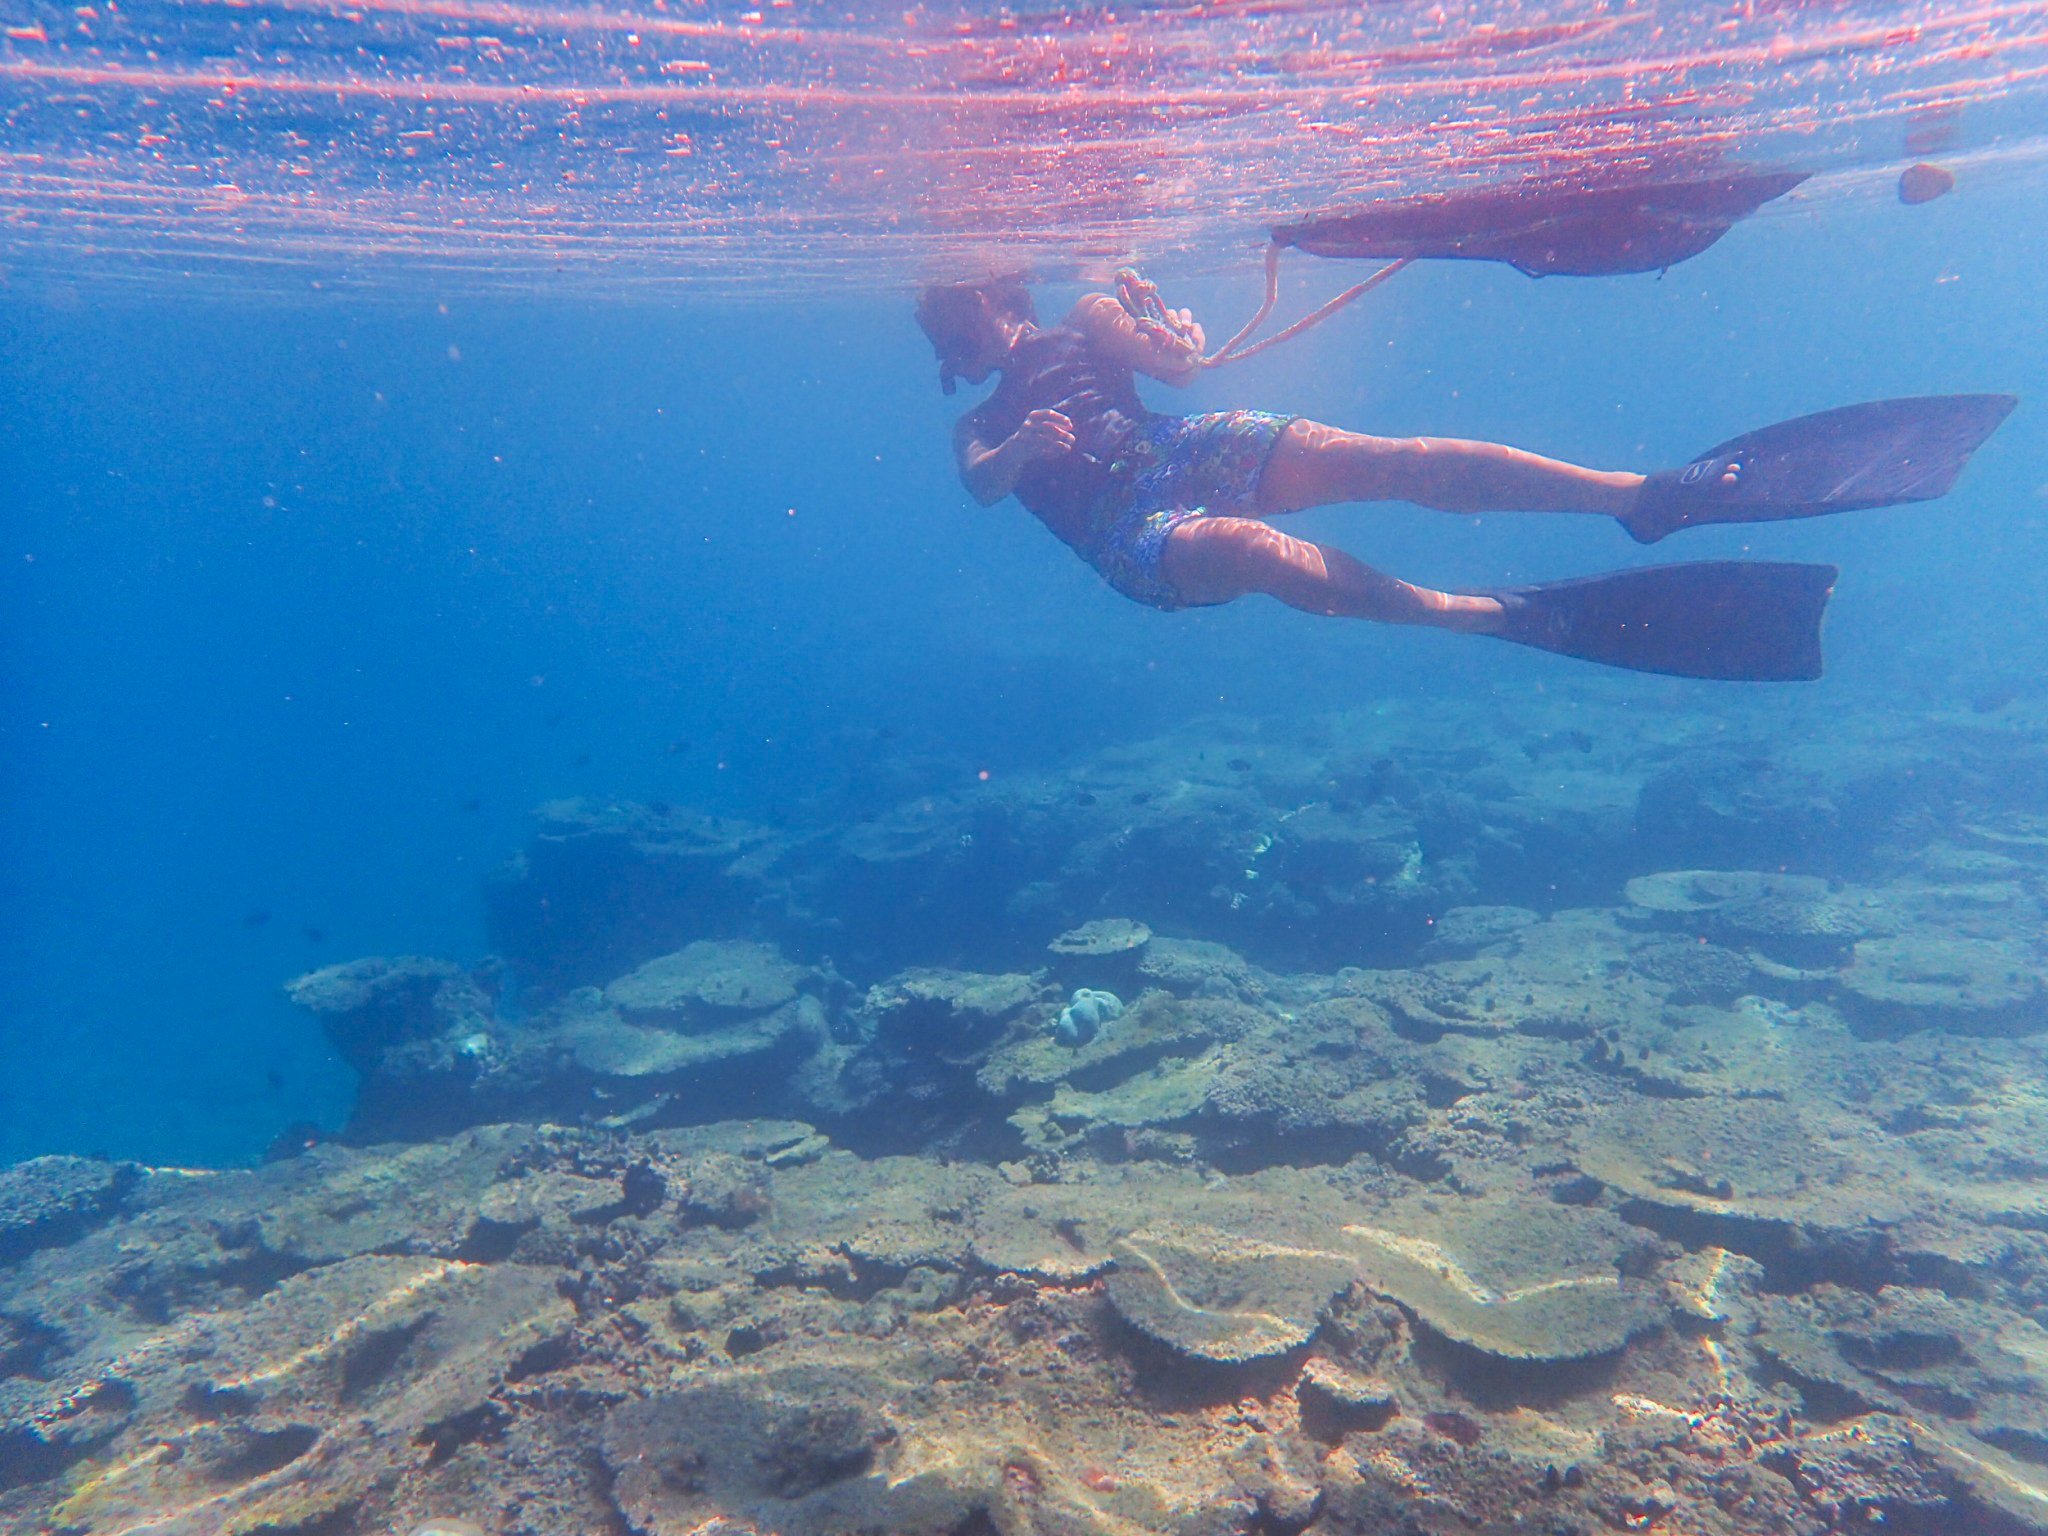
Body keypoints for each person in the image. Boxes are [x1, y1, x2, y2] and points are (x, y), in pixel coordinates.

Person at [915, 273, 2013, 681]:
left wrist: (1174, 335)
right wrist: (1018, 451)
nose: (959, 334)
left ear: (979, 300)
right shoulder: (976, 421)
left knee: (1383, 461)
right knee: (1250, 550)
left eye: (949, 314)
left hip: (1171, 448)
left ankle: (1645, 496)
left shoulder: (1082, 314)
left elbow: (1172, 364)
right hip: (1128, 530)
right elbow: (980, 482)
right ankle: (1480, 615)